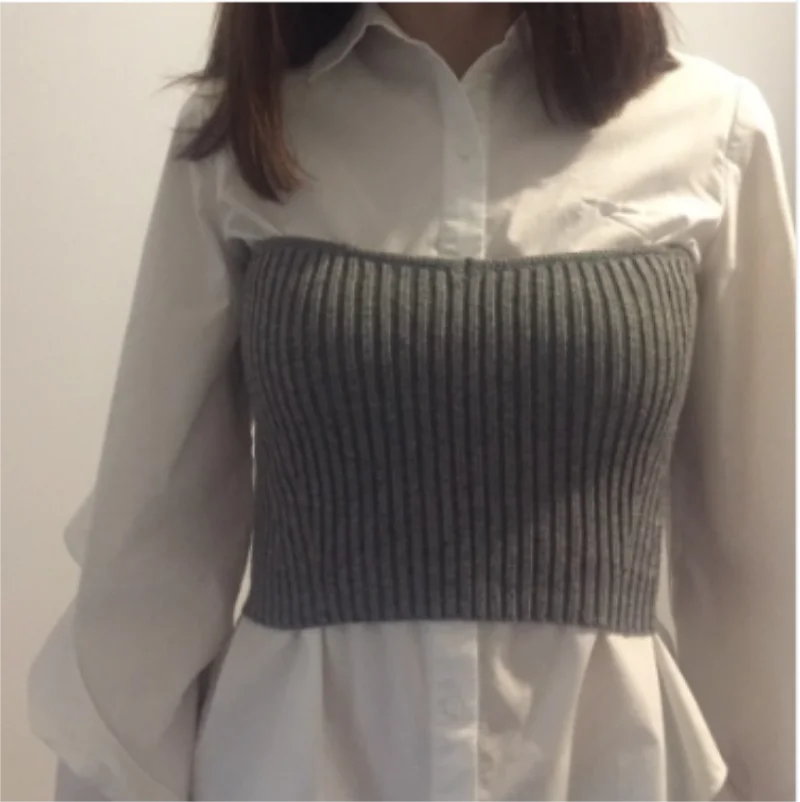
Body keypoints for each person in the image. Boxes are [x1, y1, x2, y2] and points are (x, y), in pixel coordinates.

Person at [29, 4, 795, 802]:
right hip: (293, 772)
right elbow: (153, 542)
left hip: (606, 772)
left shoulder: (713, 133)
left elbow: (759, 566)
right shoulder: (242, 134)